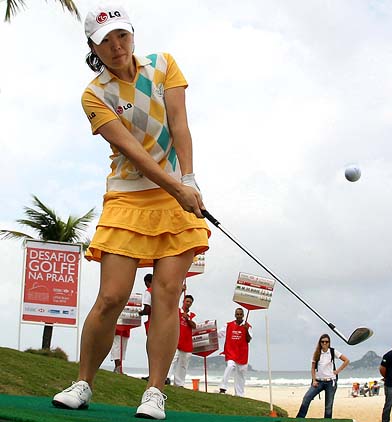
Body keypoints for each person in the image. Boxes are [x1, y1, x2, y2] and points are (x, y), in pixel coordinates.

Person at [51, 4, 210, 420]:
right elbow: (133, 152)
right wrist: (177, 187)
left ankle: (154, 392)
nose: (117, 45)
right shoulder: (95, 95)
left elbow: (179, 125)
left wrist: (188, 181)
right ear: (93, 47)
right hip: (127, 196)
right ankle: (84, 382)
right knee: (112, 296)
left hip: (177, 192)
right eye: (106, 40)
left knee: (167, 294)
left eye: (122, 35)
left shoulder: (164, 66)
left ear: (132, 35)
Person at [296, 334, 350, 419]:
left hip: (330, 382)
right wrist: (314, 380)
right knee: (307, 398)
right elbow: (313, 368)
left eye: (326, 342)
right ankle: (299, 418)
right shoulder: (317, 353)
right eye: (323, 341)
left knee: (328, 406)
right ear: (320, 342)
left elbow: (346, 360)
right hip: (318, 382)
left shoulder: (332, 351)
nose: (324, 343)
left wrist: (337, 371)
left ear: (329, 343)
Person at [218, 308, 252, 397]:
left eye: (241, 314)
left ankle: (239, 394)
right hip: (231, 352)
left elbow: (248, 340)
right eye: (237, 314)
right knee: (230, 366)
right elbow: (219, 334)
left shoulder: (248, 326)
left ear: (243, 315)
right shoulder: (228, 325)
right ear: (235, 315)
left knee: (241, 374)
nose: (239, 316)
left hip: (242, 354)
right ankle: (223, 387)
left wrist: (246, 330)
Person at [168, 295, 196, 387]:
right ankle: (166, 378)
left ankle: (179, 383)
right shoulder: (177, 311)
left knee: (183, 365)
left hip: (186, 343)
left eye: (190, 302)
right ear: (183, 301)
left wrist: (187, 319)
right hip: (175, 340)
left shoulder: (192, 315)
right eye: (187, 301)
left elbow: (194, 325)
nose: (188, 303)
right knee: (171, 360)